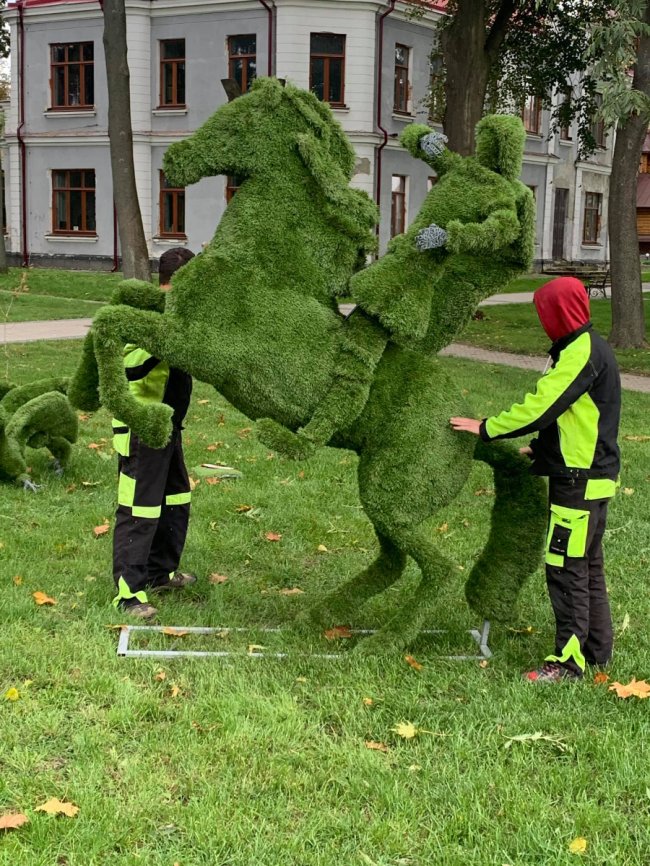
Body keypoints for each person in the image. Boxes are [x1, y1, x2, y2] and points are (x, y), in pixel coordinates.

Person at [450, 276, 621, 682]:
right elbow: (571, 414)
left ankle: (567, 664)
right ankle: (596, 651)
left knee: (565, 568)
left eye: (544, 313)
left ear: (558, 313)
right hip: (590, 476)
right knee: (586, 565)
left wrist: (486, 428)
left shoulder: (581, 352)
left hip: (578, 481)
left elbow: (543, 407)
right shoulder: (583, 347)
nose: (543, 322)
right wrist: (542, 449)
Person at [112, 247, 197, 619]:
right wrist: (164, 342)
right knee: (139, 508)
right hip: (142, 430)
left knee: (176, 499)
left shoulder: (181, 317)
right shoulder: (146, 316)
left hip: (169, 429)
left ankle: (160, 573)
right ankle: (129, 593)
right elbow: (130, 368)